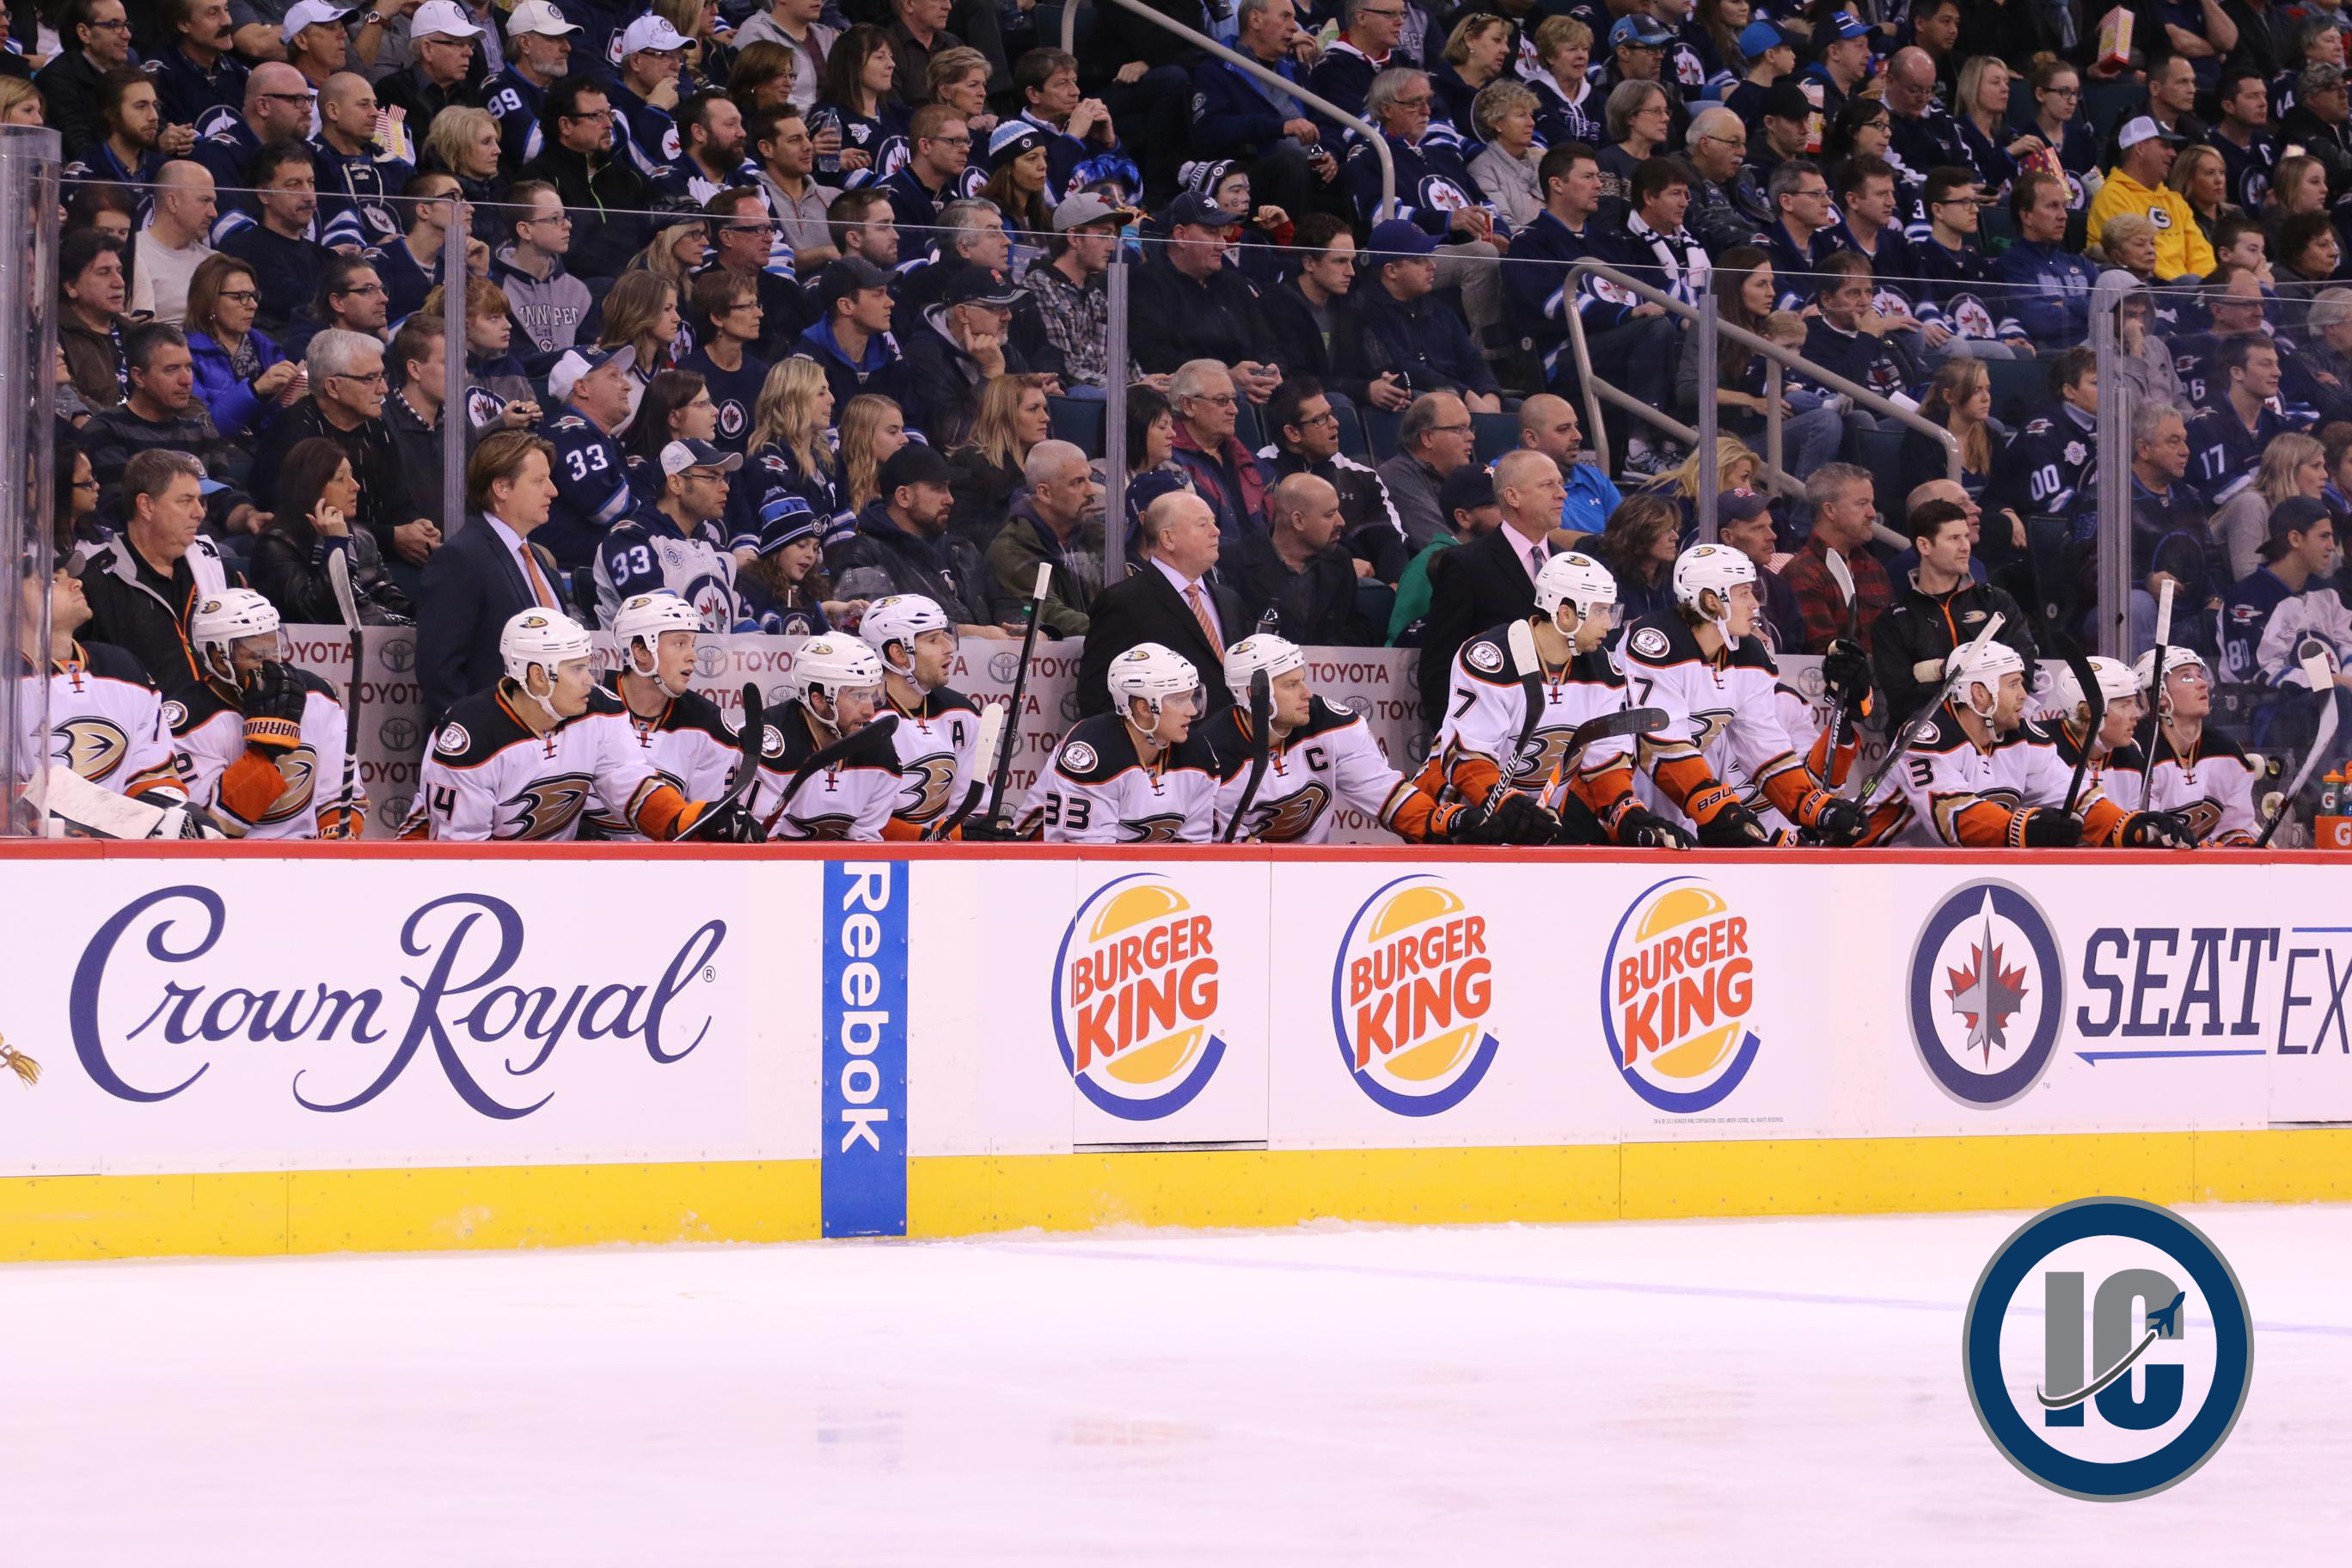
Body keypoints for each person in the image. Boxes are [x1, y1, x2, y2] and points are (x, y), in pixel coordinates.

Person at [411, 607, 759, 841]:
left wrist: (694, 819)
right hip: (432, 874)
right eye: (577, 669)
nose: (590, 681)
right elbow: (462, 857)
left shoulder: (601, 711)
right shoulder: (470, 737)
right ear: (538, 676)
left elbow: (632, 786)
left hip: (546, 875)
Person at [1416, 551, 1678, 847]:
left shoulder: (1604, 672)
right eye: (1600, 611)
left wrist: (1626, 811)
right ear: (1565, 614)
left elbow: (1605, 761)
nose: (1609, 623)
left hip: (1534, 820)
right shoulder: (1491, 659)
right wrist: (1506, 806)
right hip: (1454, 816)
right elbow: (1468, 756)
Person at [1619, 544, 1867, 846]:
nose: (1755, 605)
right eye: (1744, 593)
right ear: (1712, 601)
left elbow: (1763, 746)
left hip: (1686, 804)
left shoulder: (1749, 655)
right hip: (1625, 804)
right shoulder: (1655, 642)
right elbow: (1659, 743)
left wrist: (1811, 806)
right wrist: (1714, 807)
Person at [1854, 640, 2190, 848]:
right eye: (2014, 684)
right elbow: (1953, 819)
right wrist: (2027, 827)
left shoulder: (2024, 737)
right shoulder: (1924, 737)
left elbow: (2076, 799)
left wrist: (2131, 826)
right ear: (1979, 693)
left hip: (1936, 874)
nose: (2024, 696)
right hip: (1866, 864)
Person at [1206, 634, 1491, 843]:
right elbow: (1221, 852)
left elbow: (1383, 793)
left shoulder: (1332, 723)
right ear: (1252, 694)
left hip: (1310, 872)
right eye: (1291, 685)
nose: (1307, 693)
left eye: (1302, 679)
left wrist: (1445, 820)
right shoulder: (1212, 753)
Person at [1505, 142, 1680, 472]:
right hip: (1564, 355)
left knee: (1687, 334)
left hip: (1623, 344)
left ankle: (1675, 441)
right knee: (1656, 329)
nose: (1599, 185)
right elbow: (1551, 302)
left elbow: (1648, 292)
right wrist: (1626, 314)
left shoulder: (1610, 242)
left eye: (1598, 177)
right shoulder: (1530, 241)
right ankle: (1641, 448)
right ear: (1557, 184)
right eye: (1588, 177)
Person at [168, 587, 358, 840]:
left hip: (310, 854)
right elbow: (208, 832)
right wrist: (264, 753)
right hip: (233, 859)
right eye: (256, 655)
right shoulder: (189, 720)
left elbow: (343, 795)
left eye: (274, 650)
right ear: (220, 659)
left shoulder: (315, 695)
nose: (271, 665)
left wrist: (334, 839)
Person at [20, 536, 187, 811]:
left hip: (119, 835)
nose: (77, 583)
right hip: (29, 836)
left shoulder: (122, 667)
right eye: (53, 580)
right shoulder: (8, 682)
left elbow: (155, 776)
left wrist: (162, 817)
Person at [416, 430, 565, 722]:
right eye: (539, 481)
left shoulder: (537, 558)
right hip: (492, 738)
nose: (553, 491)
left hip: (548, 735)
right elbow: (439, 670)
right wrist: (471, 734)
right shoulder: (461, 558)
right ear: (501, 488)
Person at [78, 450, 243, 698]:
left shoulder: (217, 569)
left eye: (200, 500)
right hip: (146, 720)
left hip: (224, 715)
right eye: (185, 501)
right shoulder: (94, 586)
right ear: (146, 505)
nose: (200, 512)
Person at [1022, 641, 1220, 843]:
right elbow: (1086, 855)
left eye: (1192, 697)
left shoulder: (1197, 752)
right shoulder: (1093, 751)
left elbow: (1194, 850)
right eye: (1179, 700)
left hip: (1134, 862)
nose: (1192, 710)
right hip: (1041, 859)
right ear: (1144, 708)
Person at [1415, 450, 1563, 719]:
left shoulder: (1572, 564)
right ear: (1513, 497)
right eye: (1547, 485)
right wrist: (1455, 736)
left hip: (1565, 725)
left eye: (1560, 484)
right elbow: (1438, 667)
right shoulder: (1466, 564)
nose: (1561, 494)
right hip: (1494, 724)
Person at [78, 324, 262, 534]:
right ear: (139, 377)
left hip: (209, 544)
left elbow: (224, 497)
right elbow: (123, 511)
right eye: (172, 369)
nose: (186, 380)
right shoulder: (106, 430)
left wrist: (249, 517)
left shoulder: (201, 431)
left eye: (188, 367)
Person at [1871, 499, 2036, 727]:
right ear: (1924, 546)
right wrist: (1977, 690)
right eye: (1953, 538)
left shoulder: (1996, 602)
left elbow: (2022, 669)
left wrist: (1938, 670)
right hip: (1931, 741)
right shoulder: (1893, 621)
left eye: (1966, 536)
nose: (1965, 546)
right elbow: (1903, 698)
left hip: (1999, 738)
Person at [1075, 491, 1240, 719]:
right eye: (1203, 524)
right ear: (1168, 538)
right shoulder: (1124, 602)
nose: (1216, 531)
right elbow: (1097, 696)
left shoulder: (1230, 600)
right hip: (1165, 740)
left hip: (1233, 738)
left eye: (1213, 522)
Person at [742, 632, 904, 841]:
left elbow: (864, 843)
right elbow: (759, 845)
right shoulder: (772, 745)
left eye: (873, 695)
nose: (870, 711)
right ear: (818, 699)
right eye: (858, 696)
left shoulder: (879, 748)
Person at [828, 440, 1001, 633]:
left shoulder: (962, 551)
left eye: (948, 488)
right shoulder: (864, 555)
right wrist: (965, 634)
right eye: (938, 488)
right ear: (904, 497)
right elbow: (870, 628)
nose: (950, 499)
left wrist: (1015, 629)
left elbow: (1001, 609)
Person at [248, 436, 413, 627]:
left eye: (352, 475)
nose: (356, 486)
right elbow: (315, 613)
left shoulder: (362, 536)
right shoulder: (275, 546)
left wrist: (423, 612)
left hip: (381, 637)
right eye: (341, 479)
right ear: (311, 487)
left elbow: (390, 597)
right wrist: (336, 547)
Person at [1344, 217, 1503, 411]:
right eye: (1420, 260)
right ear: (1391, 271)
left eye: (1429, 257)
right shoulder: (1364, 310)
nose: (1432, 265)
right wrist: (1465, 394)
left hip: (1461, 398)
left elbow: (1473, 361)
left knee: (1518, 407)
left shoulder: (1438, 309)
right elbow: (1399, 367)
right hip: (1411, 405)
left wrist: (1491, 394)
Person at [1259, 377, 1407, 581]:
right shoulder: (1259, 473)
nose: (1335, 423)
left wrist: (1396, 586)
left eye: (1331, 414)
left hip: (1362, 587)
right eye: (1320, 419)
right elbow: (1264, 547)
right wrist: (1341, 567)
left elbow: (1390, 540)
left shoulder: (1362, 476)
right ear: (1292, 433)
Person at [1127, 192, 1279, 385]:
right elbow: (1155, 359)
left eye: (1222, 234)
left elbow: (1267, 344)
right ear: (1181, 236)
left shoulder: (1234, 284)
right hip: (1188, 395)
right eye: (1212, 233)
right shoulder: (1146, 284)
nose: (1222, 245)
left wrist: (1269, 373)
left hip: (1252, 391)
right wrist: (1226, 378)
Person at [594, 438, 740, 628]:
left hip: (707, 648)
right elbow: (659, 620)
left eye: (724, 478)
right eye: (712, 478)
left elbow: (737, 623)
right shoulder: (629, 539)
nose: (725, 487)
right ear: (676, 483)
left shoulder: (721, 554)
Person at [520, 73, 653, 281]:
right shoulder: (538, 179)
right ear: (565, 125)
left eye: (609, 115)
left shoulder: (627, 175)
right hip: (570, 289)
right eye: (597, 116)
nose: (609, 125)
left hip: (633, 288)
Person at [1225, 472, 1376, 647]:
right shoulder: (1234, 563)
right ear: (1298, 521)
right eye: (1330, 514)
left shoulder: (1340, 559)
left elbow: (1357, 627)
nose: (1341, 522)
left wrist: (1324, 657)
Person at [2220, 497, 2352, 690]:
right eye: (2324, 536)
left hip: (2336, 700)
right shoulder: (2245, 600)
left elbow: (2348, 645)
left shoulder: (2327, 593)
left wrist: (2346, 682)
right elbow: (2255, 673)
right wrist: (2332, 682)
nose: (2332, 546)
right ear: (2295, 539)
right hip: (2271, 706)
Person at [2134, 646, 2261, 846]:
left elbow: (2236, 828)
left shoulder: (2227, 751)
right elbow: (2143, 837)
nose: (2203, 684)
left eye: (2200, 676)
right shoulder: (2139, 751)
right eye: (2187, 678)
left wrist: (2240, 844)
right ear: (2159, 695)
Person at [184, 254, 300, 447]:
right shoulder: (186, 356)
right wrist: (255, 390)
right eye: (241, 297)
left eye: (253, 296)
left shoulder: (267, 348)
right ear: (209, 301)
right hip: (216, 454)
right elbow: (203, 429)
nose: (253, 305)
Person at [2087, 118, 2214, 283]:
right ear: (2140, 148)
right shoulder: (2112, 196)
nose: (2173, 153)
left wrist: (2208, 287)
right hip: (2147, 286)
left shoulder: (2174, 200)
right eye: (2164, 146)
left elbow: (2201, 255)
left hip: (2188, 288)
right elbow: (2134, 257)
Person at [1785, 462, 1892, 653]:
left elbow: (1895, 639)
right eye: (1862, 504)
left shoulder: (1873, 567)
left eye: (1871, 503)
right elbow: (1826, 653)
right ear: (1830, 510)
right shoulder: (1803, 573)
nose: (1872, 513)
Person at [1020, 193, 1118, 395]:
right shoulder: (1038, 285)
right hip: (1068, 398)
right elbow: (1066, 369)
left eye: (1113, 236)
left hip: (1109, 392)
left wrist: (1143, 383)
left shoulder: (1097, 295)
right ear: (1074, 238)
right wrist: (1125, 389)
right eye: (1104, 235)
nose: (1112, 246)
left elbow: (1121, 359)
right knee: (1086, 394)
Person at [946, 373, 1049, 550]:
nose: (1045, 417)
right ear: (1005, 415)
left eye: (1044, 408)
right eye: (1033, 409)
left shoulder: (1046, 464)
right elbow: (963, 538)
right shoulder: (970, 464)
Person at [1376, 391, 1475, 555]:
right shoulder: (1396, 476)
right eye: (1460, 429)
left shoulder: (1462, 477)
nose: (1471, 436)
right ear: (1427, 438)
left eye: (1469, 428)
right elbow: (1441, 545)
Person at [131, 162, 217, 328]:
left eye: (213, 202)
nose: (214, 213)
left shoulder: (215, 262)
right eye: (205, 200)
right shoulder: (129, 254)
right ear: (172, 202)